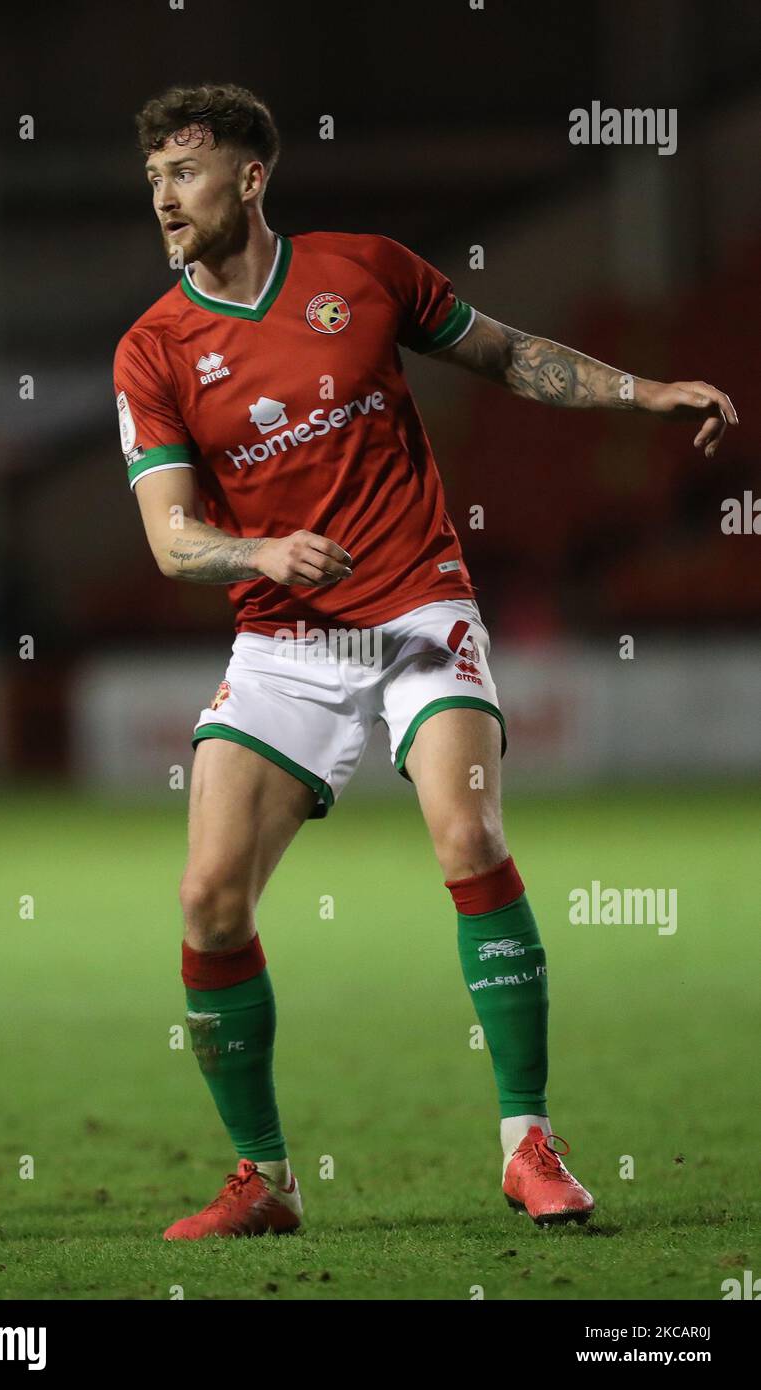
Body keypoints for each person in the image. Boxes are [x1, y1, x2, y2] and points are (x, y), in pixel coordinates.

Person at [113, 82, 737, 1239]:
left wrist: (639, 391)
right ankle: (264, 1180)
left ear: (250, 178)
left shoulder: (363, 272)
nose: (163, 196)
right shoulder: (153, 349)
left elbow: (503, 353)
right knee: (207, 903)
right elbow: (168, 538)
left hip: (416, 607)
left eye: (185, 171)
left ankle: (527, 1143)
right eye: (152, 175)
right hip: (281, 642)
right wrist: (259, 548)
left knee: (470, 834)